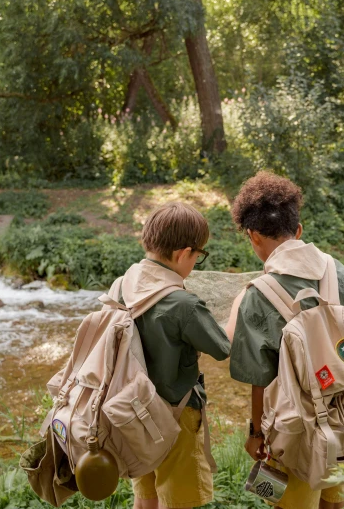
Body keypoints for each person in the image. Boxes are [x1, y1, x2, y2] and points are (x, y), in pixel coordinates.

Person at [225, 172, 344, 509]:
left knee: (282, 501)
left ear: (252, 236)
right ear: (298, 231)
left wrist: (256, 434)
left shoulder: (258, 295)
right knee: (333, 502)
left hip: (293, 429)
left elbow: (259, 377)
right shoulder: (338, 271)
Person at [127, 202, 231, 509]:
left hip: (133, 409)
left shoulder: (125, 284)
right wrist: (237, 308)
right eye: (199, 255)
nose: (197, 261)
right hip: (176, 415)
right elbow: (222, 347)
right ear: (184, 253)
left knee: (145, 496)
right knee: (180, 500)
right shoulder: (183, 304)